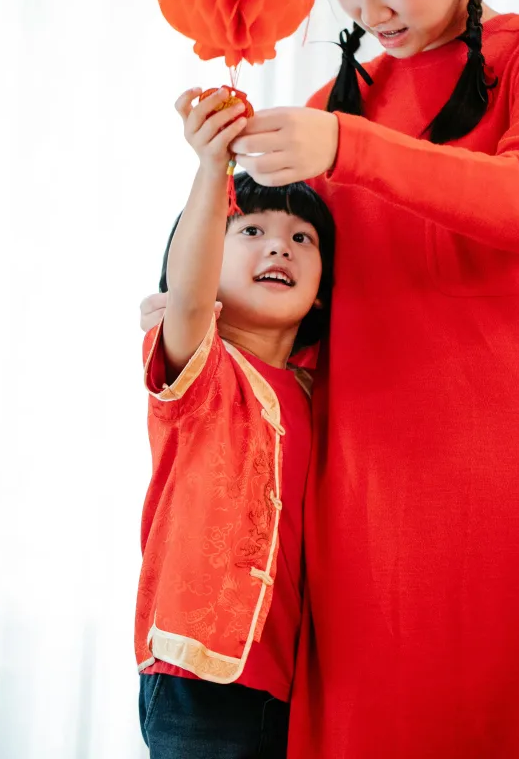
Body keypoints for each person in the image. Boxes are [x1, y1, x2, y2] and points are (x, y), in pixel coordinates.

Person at [142, 0, 519, 759]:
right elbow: (283, 301)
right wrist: (189, 319)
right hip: (365, 493)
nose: (370, 8)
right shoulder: (329, 108)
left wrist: (347, 147)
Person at [136, 87, 334, 759]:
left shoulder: (321, 389)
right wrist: (210, 167)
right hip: (199, 675)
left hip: (297, 689)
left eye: (301, 239)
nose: (278, 247)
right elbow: (188, 295)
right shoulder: (202, 368)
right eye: (250, 231)